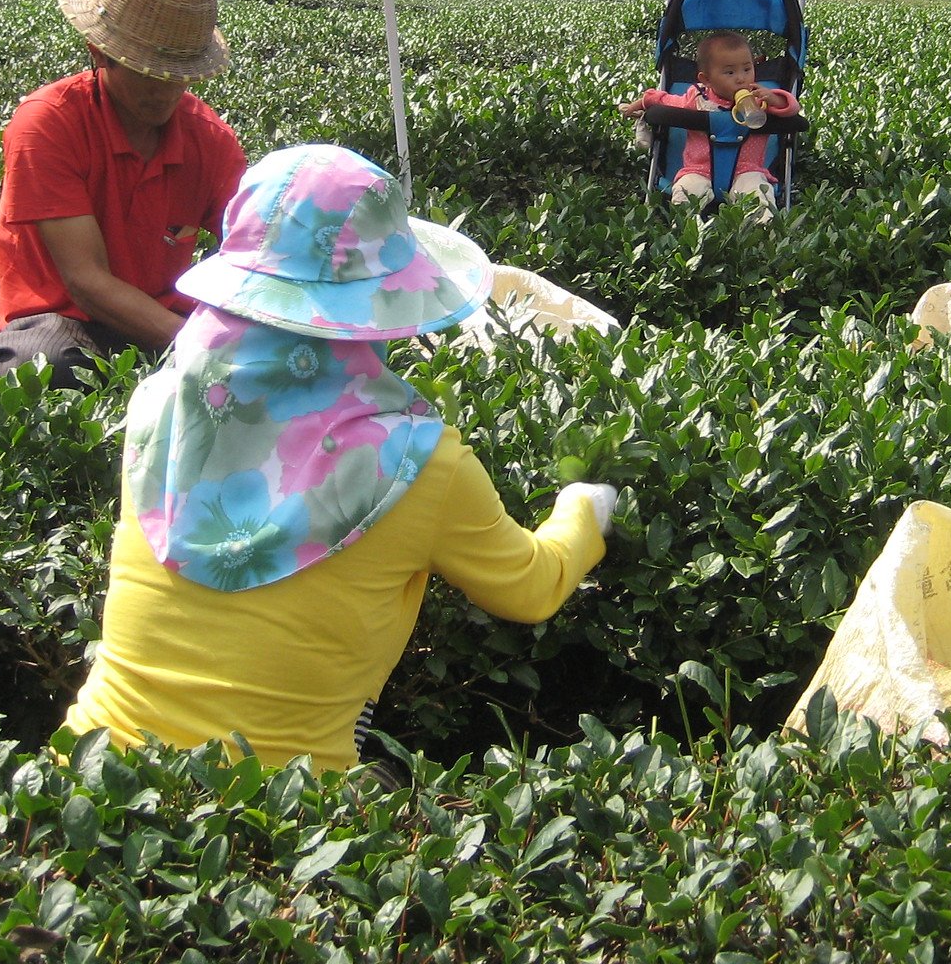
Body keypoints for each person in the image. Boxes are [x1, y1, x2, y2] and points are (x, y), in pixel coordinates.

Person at [64, 143, 619, 773]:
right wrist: (586, 507)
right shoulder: (419, 461)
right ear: (378, 307)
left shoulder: (157, 405)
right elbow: (530, 588)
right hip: (280, 808)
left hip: (92, 769)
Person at [0, 0, 245, 387]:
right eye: (148, 70)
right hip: (60, 322)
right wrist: (202, 353)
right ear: (99, 53)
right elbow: (86, 282)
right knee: (50, 370)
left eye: (178, 75)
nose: (164, 89)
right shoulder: (47, 124)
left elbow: (257, 250)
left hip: (161, 317)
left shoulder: (210, 140)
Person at [619, 28, 799, 208]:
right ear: (706, 80)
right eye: (730, 73)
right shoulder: (697, 98)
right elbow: (667, 101)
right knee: (687, 191)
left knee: (758, 194)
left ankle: (763, 229)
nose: (741, 79)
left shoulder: (760, 99)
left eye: (747, 69)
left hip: (748, 169)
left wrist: (775, 99)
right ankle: (688, 226)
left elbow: (790, 110)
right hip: (699, 169)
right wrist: (644, 101)